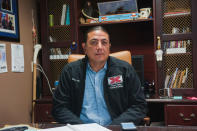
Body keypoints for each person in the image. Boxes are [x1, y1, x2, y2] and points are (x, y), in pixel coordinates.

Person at [52, 26, 147, 126]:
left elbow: (139, 106)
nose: (100, 47)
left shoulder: (125, 70)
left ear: (109, 46)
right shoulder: (70, 71)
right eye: (94, 42)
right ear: (84, 47)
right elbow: (59, 108)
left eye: (104, 42)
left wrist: (113, 127)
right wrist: (82, 128)